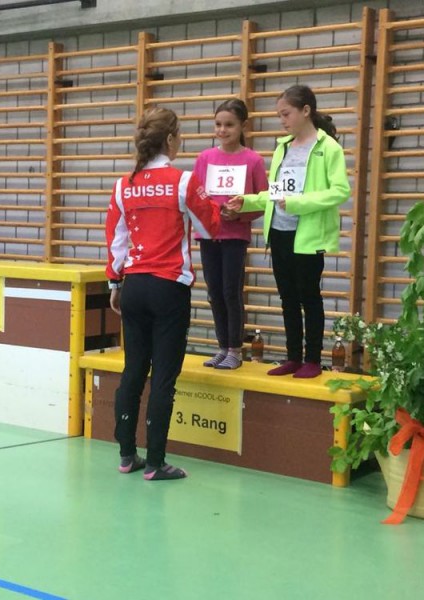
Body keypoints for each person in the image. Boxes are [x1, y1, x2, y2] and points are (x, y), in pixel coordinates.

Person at [106, 108, 221, 481]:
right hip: (169, 287)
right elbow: (210, 225)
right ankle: (156, 462)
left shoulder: (124, 185)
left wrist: (114, 283)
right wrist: (222, 206)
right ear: (170, 140)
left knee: (133, 370)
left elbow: (116, 240)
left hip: (133, 286)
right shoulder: (183, 181)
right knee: (163, 377)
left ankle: (127, 455)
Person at [226, 85, 350, 378]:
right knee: (287, 297)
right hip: (279, 231)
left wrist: (298, 204)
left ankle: (313, 359)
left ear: (306, 111)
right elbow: (276, 193)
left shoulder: (328, 147)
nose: (282, 120)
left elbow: (340, 191)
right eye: (280, 115)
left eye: (286, 114)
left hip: (307, 235)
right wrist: (246, 201)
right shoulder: (283, 147)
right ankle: (293, 356)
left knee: (310, 296)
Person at [194, 99, 268, 370]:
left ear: (242, 126)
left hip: (235, 236)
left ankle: (235, 349)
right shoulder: (205, 158)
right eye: (218, 124)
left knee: (230, 291)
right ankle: (222, 346)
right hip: (209, 234)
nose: (222, 130)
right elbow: (197, 195)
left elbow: (263, 200)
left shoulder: (253, 160)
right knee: (214, 291)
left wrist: (240, 214)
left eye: (229, 125)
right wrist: (212, 212)